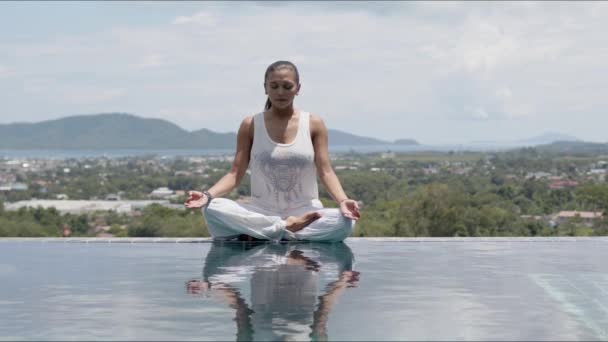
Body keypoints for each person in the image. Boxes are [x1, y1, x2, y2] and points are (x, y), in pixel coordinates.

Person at [184, 60, 360, 242]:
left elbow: (326, 171)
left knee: (344, 222)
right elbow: (235, 173)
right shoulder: (250, 125)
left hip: (305, 212)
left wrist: (343, 201)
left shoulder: (313, 124)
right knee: (213, 208)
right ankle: (285, 229)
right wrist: (207, 195)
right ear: (265, 88)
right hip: (261, 211)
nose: (280, 92)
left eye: (287, 86)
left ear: (298, 88)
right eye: (274, 86)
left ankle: (265, 233)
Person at [186, 241, 360, 341]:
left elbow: (240, 308)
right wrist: (342, 282)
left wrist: (212, 285)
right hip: (301, 282)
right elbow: (323, 313)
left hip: (267, 277)